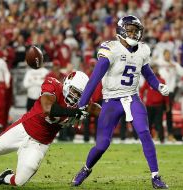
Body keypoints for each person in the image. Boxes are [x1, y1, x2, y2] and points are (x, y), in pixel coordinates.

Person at [71, 15, 169, 189]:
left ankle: (156, 176)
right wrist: (82, 104)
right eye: (130, 30)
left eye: (136, 31)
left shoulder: (143, 50)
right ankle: (86, 169)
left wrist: (158, 86)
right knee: (102, 145)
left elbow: (147, 73)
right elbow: (94, 79)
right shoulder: (111, 49)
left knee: (144, 132)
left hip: (132, 97)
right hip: (111, 101)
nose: (134, 34)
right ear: (121, 30)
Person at [0, 71, 89, 186]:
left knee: (19, 181)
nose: (75, 96)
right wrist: (74, 112)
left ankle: (4, 177)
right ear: (67, 82)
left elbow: (99, 109)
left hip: (40, 143)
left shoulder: (81, 106)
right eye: (74, 91)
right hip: (24, 129)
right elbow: (47, 108)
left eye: (79, 94)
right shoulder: (53, 84)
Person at [140, 64, 169, 143]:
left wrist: (167, 104)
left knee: (159, 123)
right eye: (154, 69)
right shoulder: (148, 80)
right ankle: (147, 140)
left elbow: (165, 94)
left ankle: (162, 139)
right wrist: (141, 100)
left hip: (159, 105)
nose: (156, 70)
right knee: (148, 123)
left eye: (157, 68)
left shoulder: (162, 80)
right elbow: (142, 90)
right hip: (149, 105)